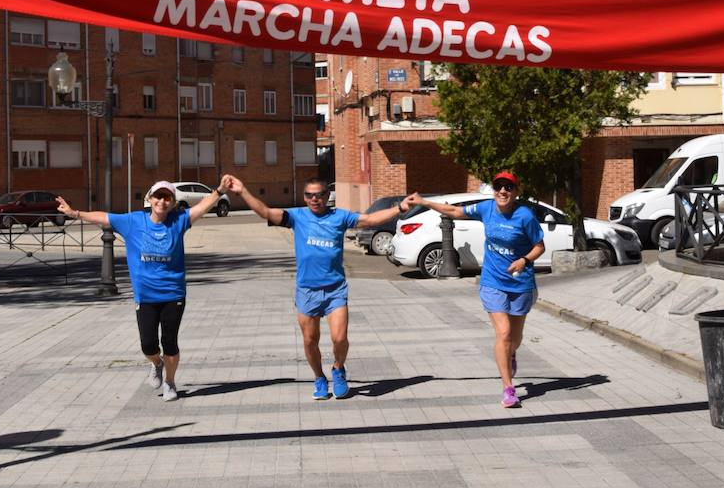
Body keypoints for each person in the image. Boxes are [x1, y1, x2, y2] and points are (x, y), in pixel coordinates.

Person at [222, 174, 412, 401]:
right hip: (307, 291)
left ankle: (338, 369)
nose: (314, 199)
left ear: (327, 196)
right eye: (309, 195)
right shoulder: (297, 216)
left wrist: (400, 208)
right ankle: (319, 377)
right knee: (309, 340)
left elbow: (370, 220)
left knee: (339, 338)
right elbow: (266, 212)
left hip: (335, 290)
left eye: (318, 195)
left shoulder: (339, 217)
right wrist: (242, 190)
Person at [56, 180, 223, 402]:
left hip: (173, 294)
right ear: (149, 198)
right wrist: (74, 213)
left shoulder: (179, 221)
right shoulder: (133, 221)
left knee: (170, 342)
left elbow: (203, 206)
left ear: (173, 203)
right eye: (158, 196)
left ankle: (170, 382)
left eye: (167, 198)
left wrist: (220, 190)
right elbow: (104, 217)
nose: (162, 201)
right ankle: (157, 363)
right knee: (148, 344)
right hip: (145, 296)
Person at [407, 172, 545, 408]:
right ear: (494, 190)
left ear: (516, 191)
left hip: (520, 283)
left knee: (515, 338)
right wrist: (425, 202)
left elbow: (539, 247)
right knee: (503, 333)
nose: (503, 191)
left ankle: (510, 353)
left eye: (508, 187)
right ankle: (508, 388)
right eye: (499, 186)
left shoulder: (524, 216)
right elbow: (455, 212)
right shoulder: (486, 208)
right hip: (492, 281)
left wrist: (524, 260)